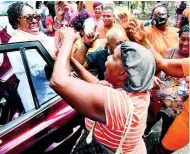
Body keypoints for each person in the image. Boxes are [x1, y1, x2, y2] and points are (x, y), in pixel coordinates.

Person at [50, 26, 156, 153]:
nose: (107, 58)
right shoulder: (134, 89)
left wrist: (68, 40)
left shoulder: (120, 104)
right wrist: (70, 59)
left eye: (113, 57)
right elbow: (97, 83)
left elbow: (58, 81)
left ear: (123, 74)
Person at [7, 2, 57, 112]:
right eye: (29, 18)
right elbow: (42, 72)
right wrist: (61, 58)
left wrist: (60, 19)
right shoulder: (17, 42)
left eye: (36, 16)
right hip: (43, 102)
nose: (34, 21)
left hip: (55, 94)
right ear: (16, 22)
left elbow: (57, 45)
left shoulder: (39, 36)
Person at [149, 47, 189, 154]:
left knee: (164, 143)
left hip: (178, 113)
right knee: (149, 122)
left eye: (189, 40)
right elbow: (158, 66)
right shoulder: (169, 52)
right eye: (183, 39)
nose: (185, 43)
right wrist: (151, 77)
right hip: (158, 102)